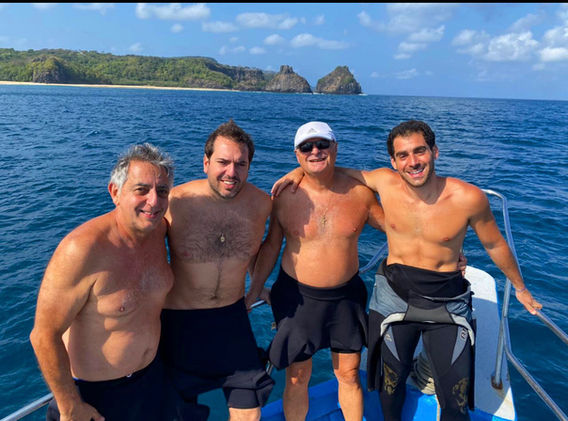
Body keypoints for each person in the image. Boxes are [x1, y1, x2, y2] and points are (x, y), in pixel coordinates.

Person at [274, 120, 542, 421]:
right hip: (394, 298)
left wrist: (520, 288)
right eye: (403, 155)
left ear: (435, 151)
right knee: (388, 390)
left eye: (419, 151)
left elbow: (495, 244)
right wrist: (298, 172)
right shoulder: (384, 182)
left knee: (455, 400)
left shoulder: (468, 197)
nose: (412, 162)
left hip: (447, 301)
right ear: (393, 161)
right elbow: (327, 170)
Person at [29, 143, 193, 421]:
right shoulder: (82, 249)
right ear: (115, 192)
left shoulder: (158, 230)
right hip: (95, 395)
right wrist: (70, 406)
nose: (154, 201)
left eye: (162, 191)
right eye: (141, 190)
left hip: (151, 379)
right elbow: (43, 335)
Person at [245, 121, 385, 421]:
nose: (315, 151)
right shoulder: (284, 196)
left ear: (335, 148)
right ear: (297, 155)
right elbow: (271, 246)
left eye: (322, 144)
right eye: (306, 147)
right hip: (297, 298)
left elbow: (397, 229)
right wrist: (254, 290)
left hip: (345, 297)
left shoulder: (361, 194)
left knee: (348, 374)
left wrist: (449, 254)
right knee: (297, 376)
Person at [159, 119, 275, 421]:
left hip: (232, 319)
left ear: (249, 167)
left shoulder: (262, 204)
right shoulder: (174, 203)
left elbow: (258, 248)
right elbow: (136, 249)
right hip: (179, 323)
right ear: (206, 163)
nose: (231, 172)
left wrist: (257, 287)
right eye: (223, 162)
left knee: (250, 412)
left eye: (241, 164)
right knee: (177, 414)